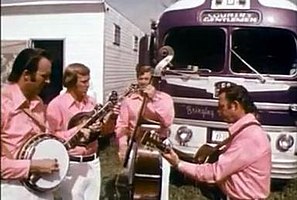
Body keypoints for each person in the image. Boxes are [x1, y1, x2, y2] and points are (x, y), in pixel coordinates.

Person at [162, 84, 271, 199]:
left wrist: (178, 164)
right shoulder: (247, 131)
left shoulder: (249, 138)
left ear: (234, 105)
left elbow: (214, 173)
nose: (218, 112)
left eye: (221, 107)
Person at [46, 63, 117, 200]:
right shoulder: (56, 105)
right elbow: (51, 137)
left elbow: (104, 132)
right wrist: (76, 130)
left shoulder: (91, 102)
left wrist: (109, 120)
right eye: (83, 82)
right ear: (71, 83)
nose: (87, 85)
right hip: (71, 164)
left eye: (88, 81)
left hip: (93, 162)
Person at [1, 48, 58, 200]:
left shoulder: (38, 102)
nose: (48, 81)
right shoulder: (3, 105)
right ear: (26, 75)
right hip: (11, 189)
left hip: (42, 186)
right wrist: (33, 166)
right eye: (43, 76)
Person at [115, 64, 175, 200]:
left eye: (146, 79)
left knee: (161, 185)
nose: (143, 82)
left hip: (160, 145)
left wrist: (154, 98)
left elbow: (166, 121)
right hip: (136, 145)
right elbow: (122, 125)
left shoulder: (165, 99)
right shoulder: (129, 100)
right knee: (134, 184)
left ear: (153, 80)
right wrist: (123, 146)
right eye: (140, 78)